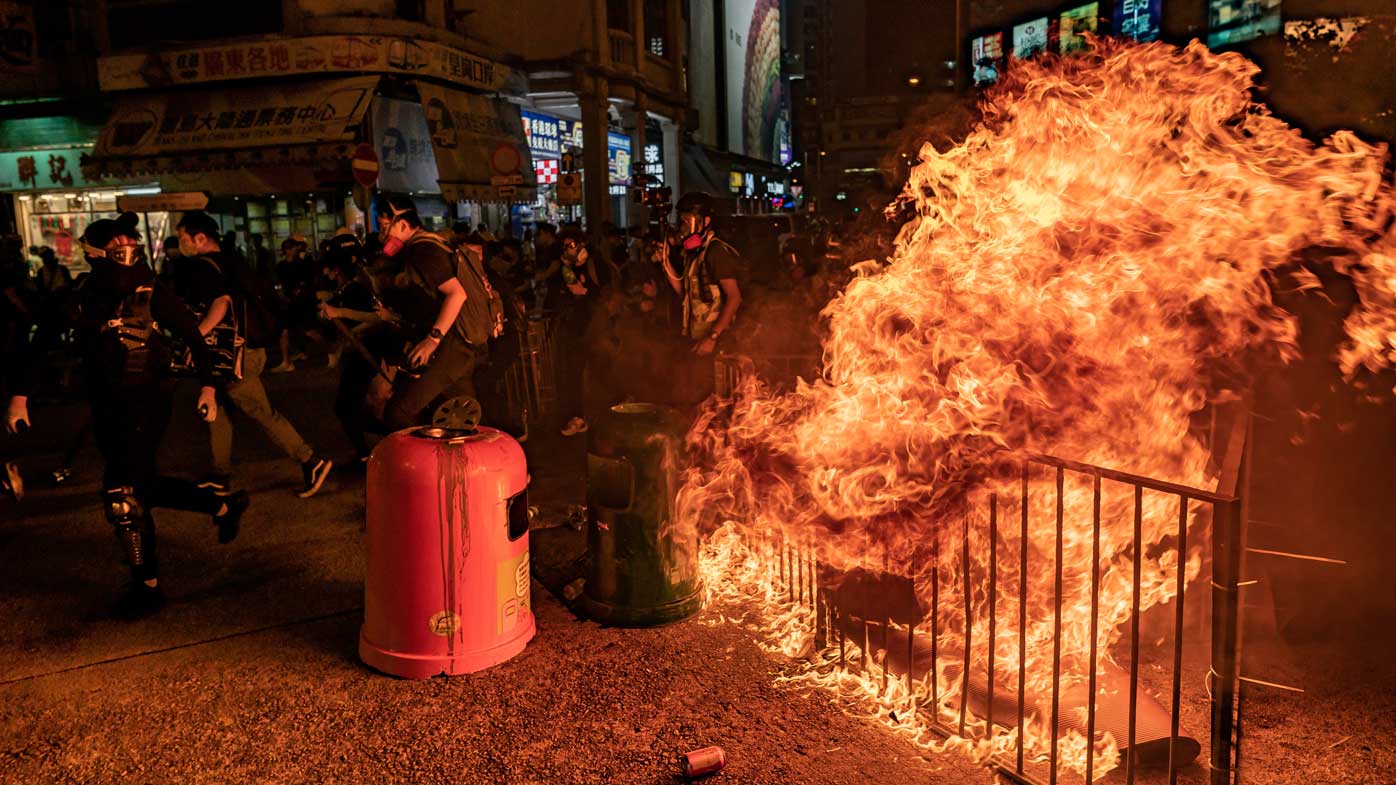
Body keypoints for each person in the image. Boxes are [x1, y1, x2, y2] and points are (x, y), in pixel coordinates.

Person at [4, 213, 247, 619]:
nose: (129, 253)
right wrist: (20, 396)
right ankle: (221, 506)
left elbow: (191, 334)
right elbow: (42, 343)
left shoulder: (151, 291)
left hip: (149, 400)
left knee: (122, 493)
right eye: (119, 247)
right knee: (143, 484)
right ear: (96, 253)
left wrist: (208, 388)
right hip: (105, 402)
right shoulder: (80, 296)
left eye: (131, 244)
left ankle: (146, 585)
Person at [175, 211, 333, 498]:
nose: (180, 243)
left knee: (261, 411)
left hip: (235, 355)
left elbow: (220, 304)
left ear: (199, 238)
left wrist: (194, 338)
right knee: (218, 409)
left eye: (183, 237)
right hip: (246, 349)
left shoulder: (203, 267)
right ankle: (219, 476)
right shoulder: (233, 262)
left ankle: (311, 461)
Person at [377, 195, 482, 430]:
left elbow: (457, 294)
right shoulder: (426, 245)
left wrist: (431, 340)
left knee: (399, 413)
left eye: (385, 227)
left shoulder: (423, 250)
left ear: (402, 224)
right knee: (459, 418)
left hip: (451, 345)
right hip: (458, 346)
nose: (382, 235)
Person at [659, 191, 745, 407]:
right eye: (682, 221)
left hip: (716, 344)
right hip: (696, 340)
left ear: (705, 221)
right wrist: (666, 261)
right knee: (693, 399)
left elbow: (735, 298)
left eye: (688, 221)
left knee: (712, 403)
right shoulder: (694, 253)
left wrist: (713, 337)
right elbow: (684, 293)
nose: (683, 227)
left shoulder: (716, 252)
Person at [554, 228, 604, 436]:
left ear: (583, 245)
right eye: (565, 246)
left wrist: (586, 292)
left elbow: (606, 293)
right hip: (578, 329)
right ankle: (579, 416)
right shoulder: (568, 268)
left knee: (596, 374)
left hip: (595, 328)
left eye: (571, 245)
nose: (567, 250)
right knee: (573, 374)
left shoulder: (596, 265)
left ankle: (593, 417)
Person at [270, 237, 313, 373]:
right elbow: (277, 283)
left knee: (304, 330)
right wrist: (282, 295)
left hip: (297, 301)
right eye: (291, 248)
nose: (293, 250)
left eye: (294, 247)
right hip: (288, 302)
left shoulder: (301, 264)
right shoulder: (282, 266)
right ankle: (289, 359)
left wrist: (294, 294)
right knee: (287, 330)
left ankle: (289, 360)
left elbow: (305, 281)